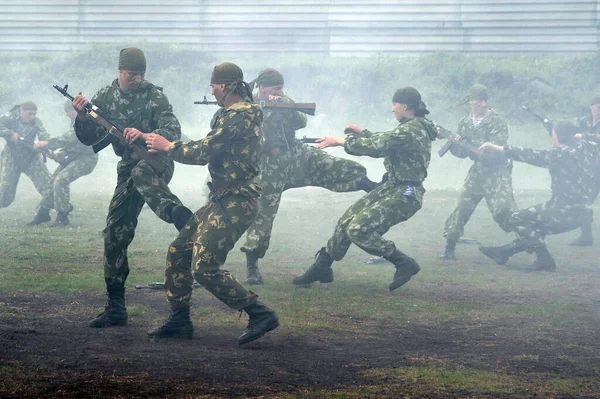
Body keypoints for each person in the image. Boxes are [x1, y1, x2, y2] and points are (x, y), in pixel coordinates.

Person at [145, 62, 279, 345]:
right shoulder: (231, 114)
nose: (214, 90)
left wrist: (168, 146)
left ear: (227, 86)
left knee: (204, 268)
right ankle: (180, 320)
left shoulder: (239, 115)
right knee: (179, 250)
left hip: (237, 200)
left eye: (216, 85)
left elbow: (204, 151)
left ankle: (259, 313)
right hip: (222, 199)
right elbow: (209, 145)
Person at [72, 47, 193, 328]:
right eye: (132, 73)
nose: (137, 78)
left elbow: (173, 130)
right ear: (120, 72)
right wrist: (80, 116)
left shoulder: (155, 96)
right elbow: (89, 138)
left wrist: (146, 134)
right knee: (115, 231)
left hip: (155, 160)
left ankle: (177, 214)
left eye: (141, 74)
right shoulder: (104, 97)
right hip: (127, 166)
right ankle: (116, 306)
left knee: (141, 171)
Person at [240, 68, 377, 285]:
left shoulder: (284, 100)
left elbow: (301, 121)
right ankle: (252, 267)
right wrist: (262, 109)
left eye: (281, 88)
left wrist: (283, 105)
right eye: (275, 88)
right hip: (267, 166)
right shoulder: (247, 104)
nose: (279, 92)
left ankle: (373, 187)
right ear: (262, 88)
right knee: (263, 215)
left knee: (332, 165)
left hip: (295, 156)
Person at [292, 87, 437, 291]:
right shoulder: (411, 127)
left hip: (406, 192)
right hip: (392, 186)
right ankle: (322, 267)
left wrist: (341, 141)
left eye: (395, 104)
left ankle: (403, 262)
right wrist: (363, 132)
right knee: (345, 222)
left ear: (405, 106)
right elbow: (388, 139)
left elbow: (377, 147)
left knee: (358, 229)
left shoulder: (412, 129)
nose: (393, 108)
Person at [478, 121, 600, 271]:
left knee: (516, 219)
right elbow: (593, 139)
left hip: (564, 213)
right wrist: (579, 135)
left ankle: (545, 260)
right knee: (535, 225)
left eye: (554, 134)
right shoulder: (587, 148)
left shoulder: (560, 154)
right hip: (583, 214)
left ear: (560, 136)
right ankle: (505, 251)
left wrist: (500, 148)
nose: (552, 137)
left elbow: (531, 155)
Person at [440, 84, 517, 260]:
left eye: (478, 103)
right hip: (478, 171)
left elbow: (495, 150)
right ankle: (449, 246)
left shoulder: (496, 120)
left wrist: (470, 147)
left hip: (497, 172)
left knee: (504, 210)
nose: (475, 107)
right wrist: (458, 145)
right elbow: (461, 154)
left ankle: (530, 240)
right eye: (472, 103)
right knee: (462, 207)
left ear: (485, 102)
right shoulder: (464, 122)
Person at [28, 100, 99, 226]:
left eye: (67, 112)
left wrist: (48, 143)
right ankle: (43, 213)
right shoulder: (76, 120)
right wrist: (64, 151)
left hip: (86, 159)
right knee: (52, 182)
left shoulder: (87, 119)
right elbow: (75, 142)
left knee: (61, 180)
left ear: (71, 111)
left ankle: (63, 216)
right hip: (74, 156)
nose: (67, 115)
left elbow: (71, 136)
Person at [0, 101, 51, 209]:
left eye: (34, 114)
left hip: (31, 157)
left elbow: (44, 136)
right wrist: (10, 133)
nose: (32, 117)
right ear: (21, 111)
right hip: (11, 156)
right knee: (5, 193)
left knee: (47, 185)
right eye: (29, 114)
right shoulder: (10, 117)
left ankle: (61, 208)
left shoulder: (37, 122)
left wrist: (44, 143)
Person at [569, 95, 600, 246]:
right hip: (590, 169)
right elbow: (570, 132)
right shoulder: (583, 121)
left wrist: (583, 136)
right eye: (597, 106)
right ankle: (586, 236)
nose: (599, 108)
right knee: (584, 201)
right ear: (591, 107)